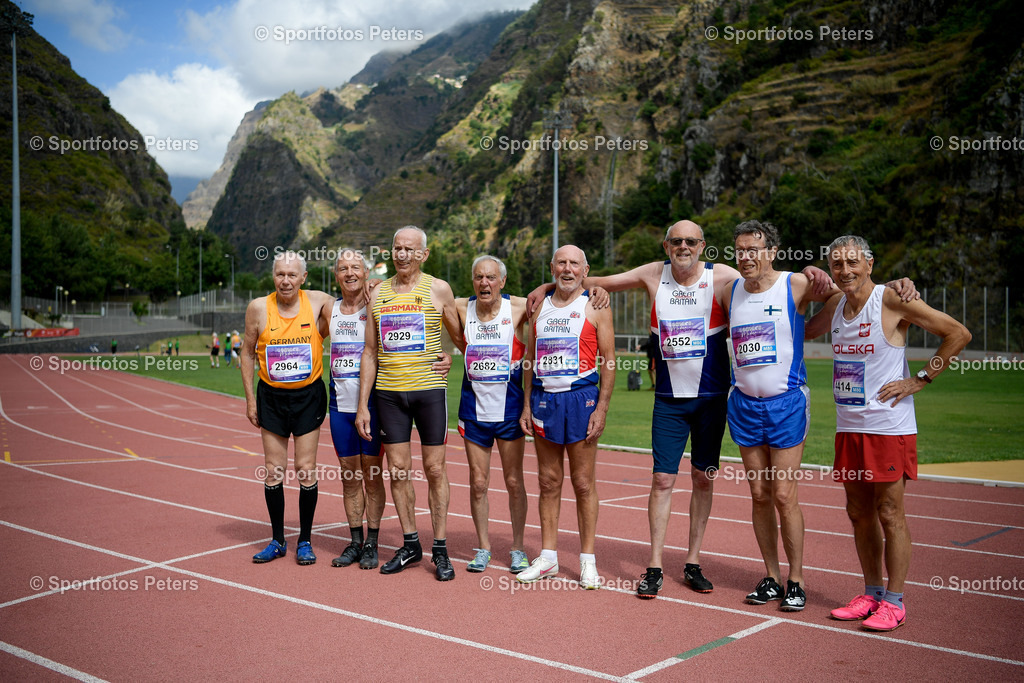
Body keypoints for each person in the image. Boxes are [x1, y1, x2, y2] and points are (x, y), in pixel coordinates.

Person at [528, 221, 742, 598]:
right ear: (666, 245)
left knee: (703, 477)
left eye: (691, 241)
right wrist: (546, 287)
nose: (683, 246)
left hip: (711, 399)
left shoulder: (723, 275)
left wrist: (813, 276)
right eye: (676, 241)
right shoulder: (652, 273)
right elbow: (595, 280)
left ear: (703, 245)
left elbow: (765, 283)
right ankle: (655, 566)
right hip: (668, 400)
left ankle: (692, 562)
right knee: (662, 480)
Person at [805, 235, 970, 631]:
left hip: (888, 427)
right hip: (850, 426)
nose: (845, 270)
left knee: (890, 513)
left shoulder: (892, 299)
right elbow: (805, 331)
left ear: (870, 264)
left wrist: (921, 378)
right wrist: (803, 282)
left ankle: (895, 601)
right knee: (858, 514)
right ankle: (871, 592)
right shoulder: (836, 303)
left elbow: (958, 334)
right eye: (836, 264)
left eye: (852, 262)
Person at [720, 220, 842, 611]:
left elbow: (841, 296)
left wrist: (811, 329)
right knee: (759, 495)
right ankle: (771, 576)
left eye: (754, 249)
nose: (746, 257)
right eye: (740, 250)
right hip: (743, 403)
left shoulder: (796, 284)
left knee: (785, 495)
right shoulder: (729, 290)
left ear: (772, 252)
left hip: (786, 403)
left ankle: (797, 579)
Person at [356, 226, 461, 581]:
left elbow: (462, 336)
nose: (401, 255)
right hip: (388, 394)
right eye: (396, 248)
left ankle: (441, 549)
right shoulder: (379, 293)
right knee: (398, 471)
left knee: (434, 470)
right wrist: (361, 406)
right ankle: (411, 543)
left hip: (429, 392)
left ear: (423, 255)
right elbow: (369, 352)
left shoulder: (439, 289)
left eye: (409, 250)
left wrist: (451, 356)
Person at [517, 245, 615, 589]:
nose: (568, 269)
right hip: (544, 400)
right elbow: (529, 358)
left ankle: (588, 560)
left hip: (582, 399)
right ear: (552, 267)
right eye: (562, 263)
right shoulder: (537, 305)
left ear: (585, 270)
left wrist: (601, 408)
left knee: (584, 483)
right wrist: (527, 404)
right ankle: (548, 558)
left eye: (575, 264)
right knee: (548, 482)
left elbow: (610, 360)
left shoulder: (596, 305)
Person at [240, 251, 334, 565]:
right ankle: (278, 540)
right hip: (271, 398)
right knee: (273, 471)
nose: (286, 280)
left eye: (292, 274)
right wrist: (250, 399)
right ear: (273, 276)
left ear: (303, 278)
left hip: (308, 397)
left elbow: (353, 307)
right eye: (280, 274)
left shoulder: (319, 301)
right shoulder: (257, 308)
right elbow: (247, 353)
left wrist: (372, 286)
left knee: (306, 469)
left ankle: (305, 541)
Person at [452, 255, 530, 574]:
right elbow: (427, 296)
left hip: (510, 406)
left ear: (502, 281)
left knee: (513, 481)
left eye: (491, 277)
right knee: (479, 482)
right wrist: (374, 286)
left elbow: (557, 291)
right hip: (473, 408)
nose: (484, 283)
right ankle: (483, 547)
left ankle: (518, 548)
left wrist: (592, 289)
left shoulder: (521, 307)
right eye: (479, 277)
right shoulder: (460, 307)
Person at [328, 249, 387, 570]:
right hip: (339, 405)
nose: (349, 273)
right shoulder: (328, 308)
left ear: (366, 272)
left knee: (373, 476)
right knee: (349, 476)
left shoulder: (378, 300)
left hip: (374, 405)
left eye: (356, 268)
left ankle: (373, 543)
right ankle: (355, 542)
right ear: (335, 275)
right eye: (342, 268)